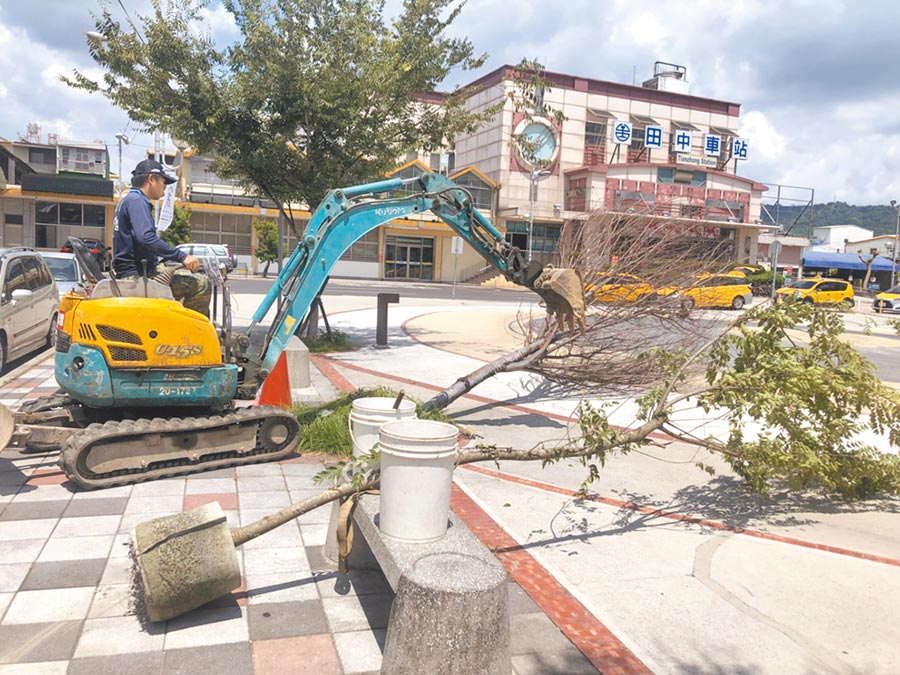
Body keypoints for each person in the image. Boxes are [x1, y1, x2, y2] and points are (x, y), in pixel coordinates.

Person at [112, 159, 211, 316]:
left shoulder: (129, 200)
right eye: (163, 182)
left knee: (183, 278)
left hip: (137, 271)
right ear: (151, 179)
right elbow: (146, 238)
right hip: (137, 276)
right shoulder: (137, 201)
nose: (164, 188)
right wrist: (182, 256)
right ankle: (190, 334)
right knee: (201, 284)